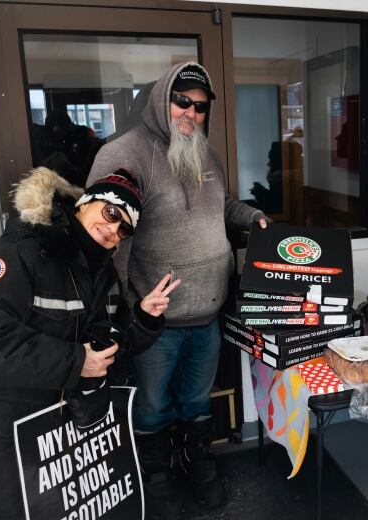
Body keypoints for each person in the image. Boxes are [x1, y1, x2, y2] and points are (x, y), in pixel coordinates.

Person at [0, 166, 181, 520]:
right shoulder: (18, 253)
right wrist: (76, 363)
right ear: (85, 203)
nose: (112, 229)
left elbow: (106, 347)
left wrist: (142, 316)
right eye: (110, 213)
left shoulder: (102, 274)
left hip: (52, 440)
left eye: (124, 228)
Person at [87, 62, 267, 518]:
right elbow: (100, 236)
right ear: (161, 99)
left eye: (199, 106)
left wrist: (253, 220)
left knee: (195, 400)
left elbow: (221, 205)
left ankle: (197, 463)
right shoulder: (121, 152)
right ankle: (156, 473)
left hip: (208, 313)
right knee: (151, 405)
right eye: (181, 100)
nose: (189, 112)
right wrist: (120, 308)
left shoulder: (204, 152)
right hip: (154, 320)